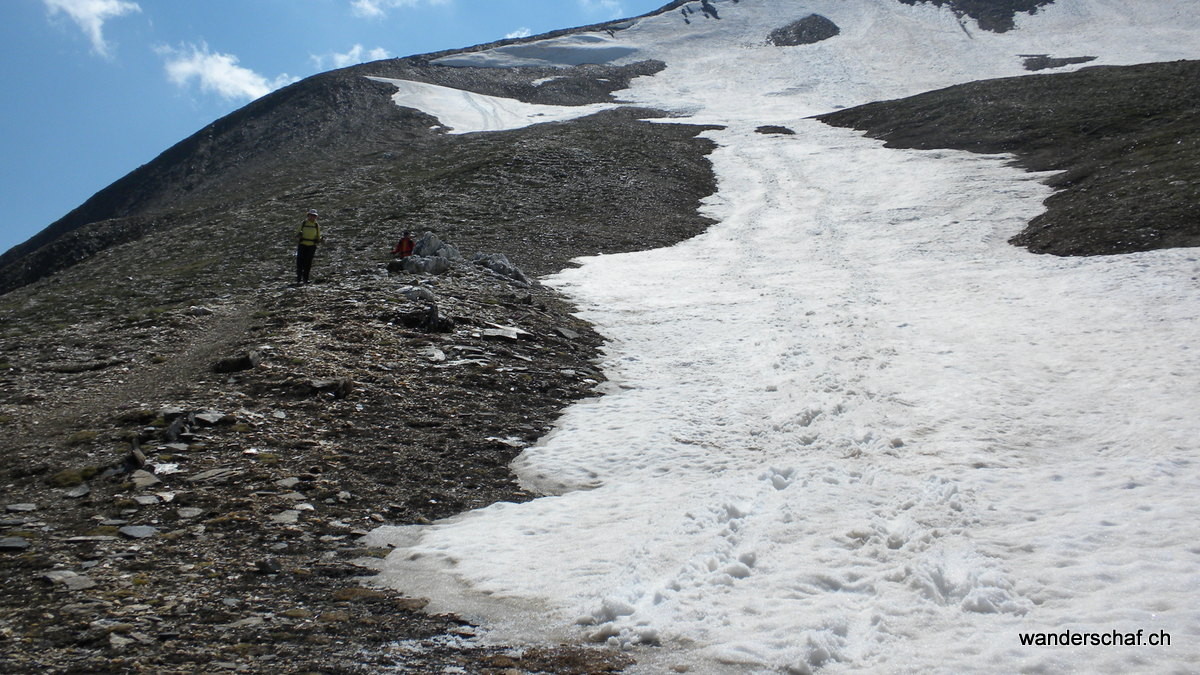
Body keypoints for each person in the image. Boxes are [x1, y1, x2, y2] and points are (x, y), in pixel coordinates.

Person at [296, 209, 323, 284]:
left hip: (311, 246)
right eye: (311, 215)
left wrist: (319, 240)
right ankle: (298, 279)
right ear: (308, 216)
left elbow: (318, 236)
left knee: (308, 263)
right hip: (302, 244)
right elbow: (297, 233)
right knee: (300, 262)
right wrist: (299, 235)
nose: (313, 217)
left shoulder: (316, 225)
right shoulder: (304, 223)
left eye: (314, 216)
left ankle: (305, 279)